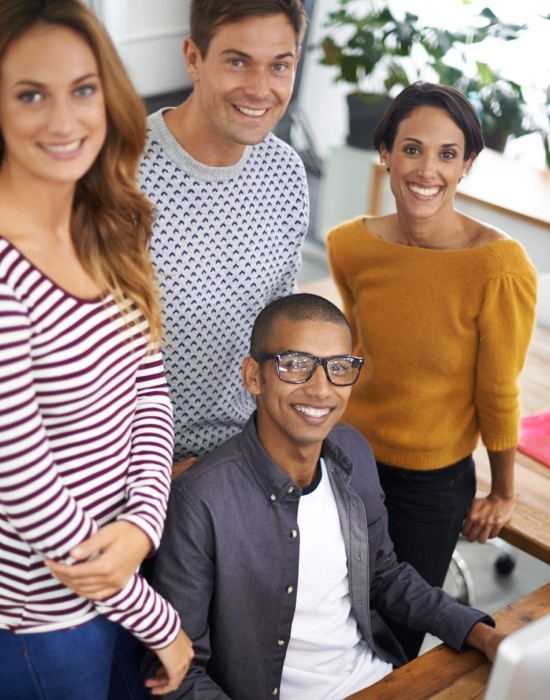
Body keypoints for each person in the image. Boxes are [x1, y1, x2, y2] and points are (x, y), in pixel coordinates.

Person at [145, 293, 505, 699]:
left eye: (338, 368)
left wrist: (479, 632)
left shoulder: (352, 450)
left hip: (379, 677)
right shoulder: (200, 500)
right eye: (296, 365)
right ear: (253, 376)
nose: (321, 389)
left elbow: (384, 575)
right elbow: (181, 673)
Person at [0, 2, 192, 699]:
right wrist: (158, 620)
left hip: (116, 579)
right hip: (40, 622)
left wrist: (142, 526)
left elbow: (148, 387)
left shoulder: (104, 225)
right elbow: (23, 485)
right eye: (30, 94)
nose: (63, 120)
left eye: (82, 89)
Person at [326, 81, 537, 660]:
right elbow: (359, 353)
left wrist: (503, 491)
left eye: (448, 154)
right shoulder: (349, 246)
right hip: (346, 460)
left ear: (468, 164)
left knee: (391, 642)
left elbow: (497, 393)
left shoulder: (499, 268)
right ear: (385, 152)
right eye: (412, 148)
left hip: (432, 483)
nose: (428, 169)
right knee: (327, 615)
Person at [139, 0, 310, 470]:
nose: (260, 89)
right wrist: (154, 477)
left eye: (280, 65)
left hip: (244, 457)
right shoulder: (119, 174)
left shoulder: (285, 173)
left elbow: (277, 324)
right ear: (193, 59)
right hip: (132, 473)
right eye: (237, 61)